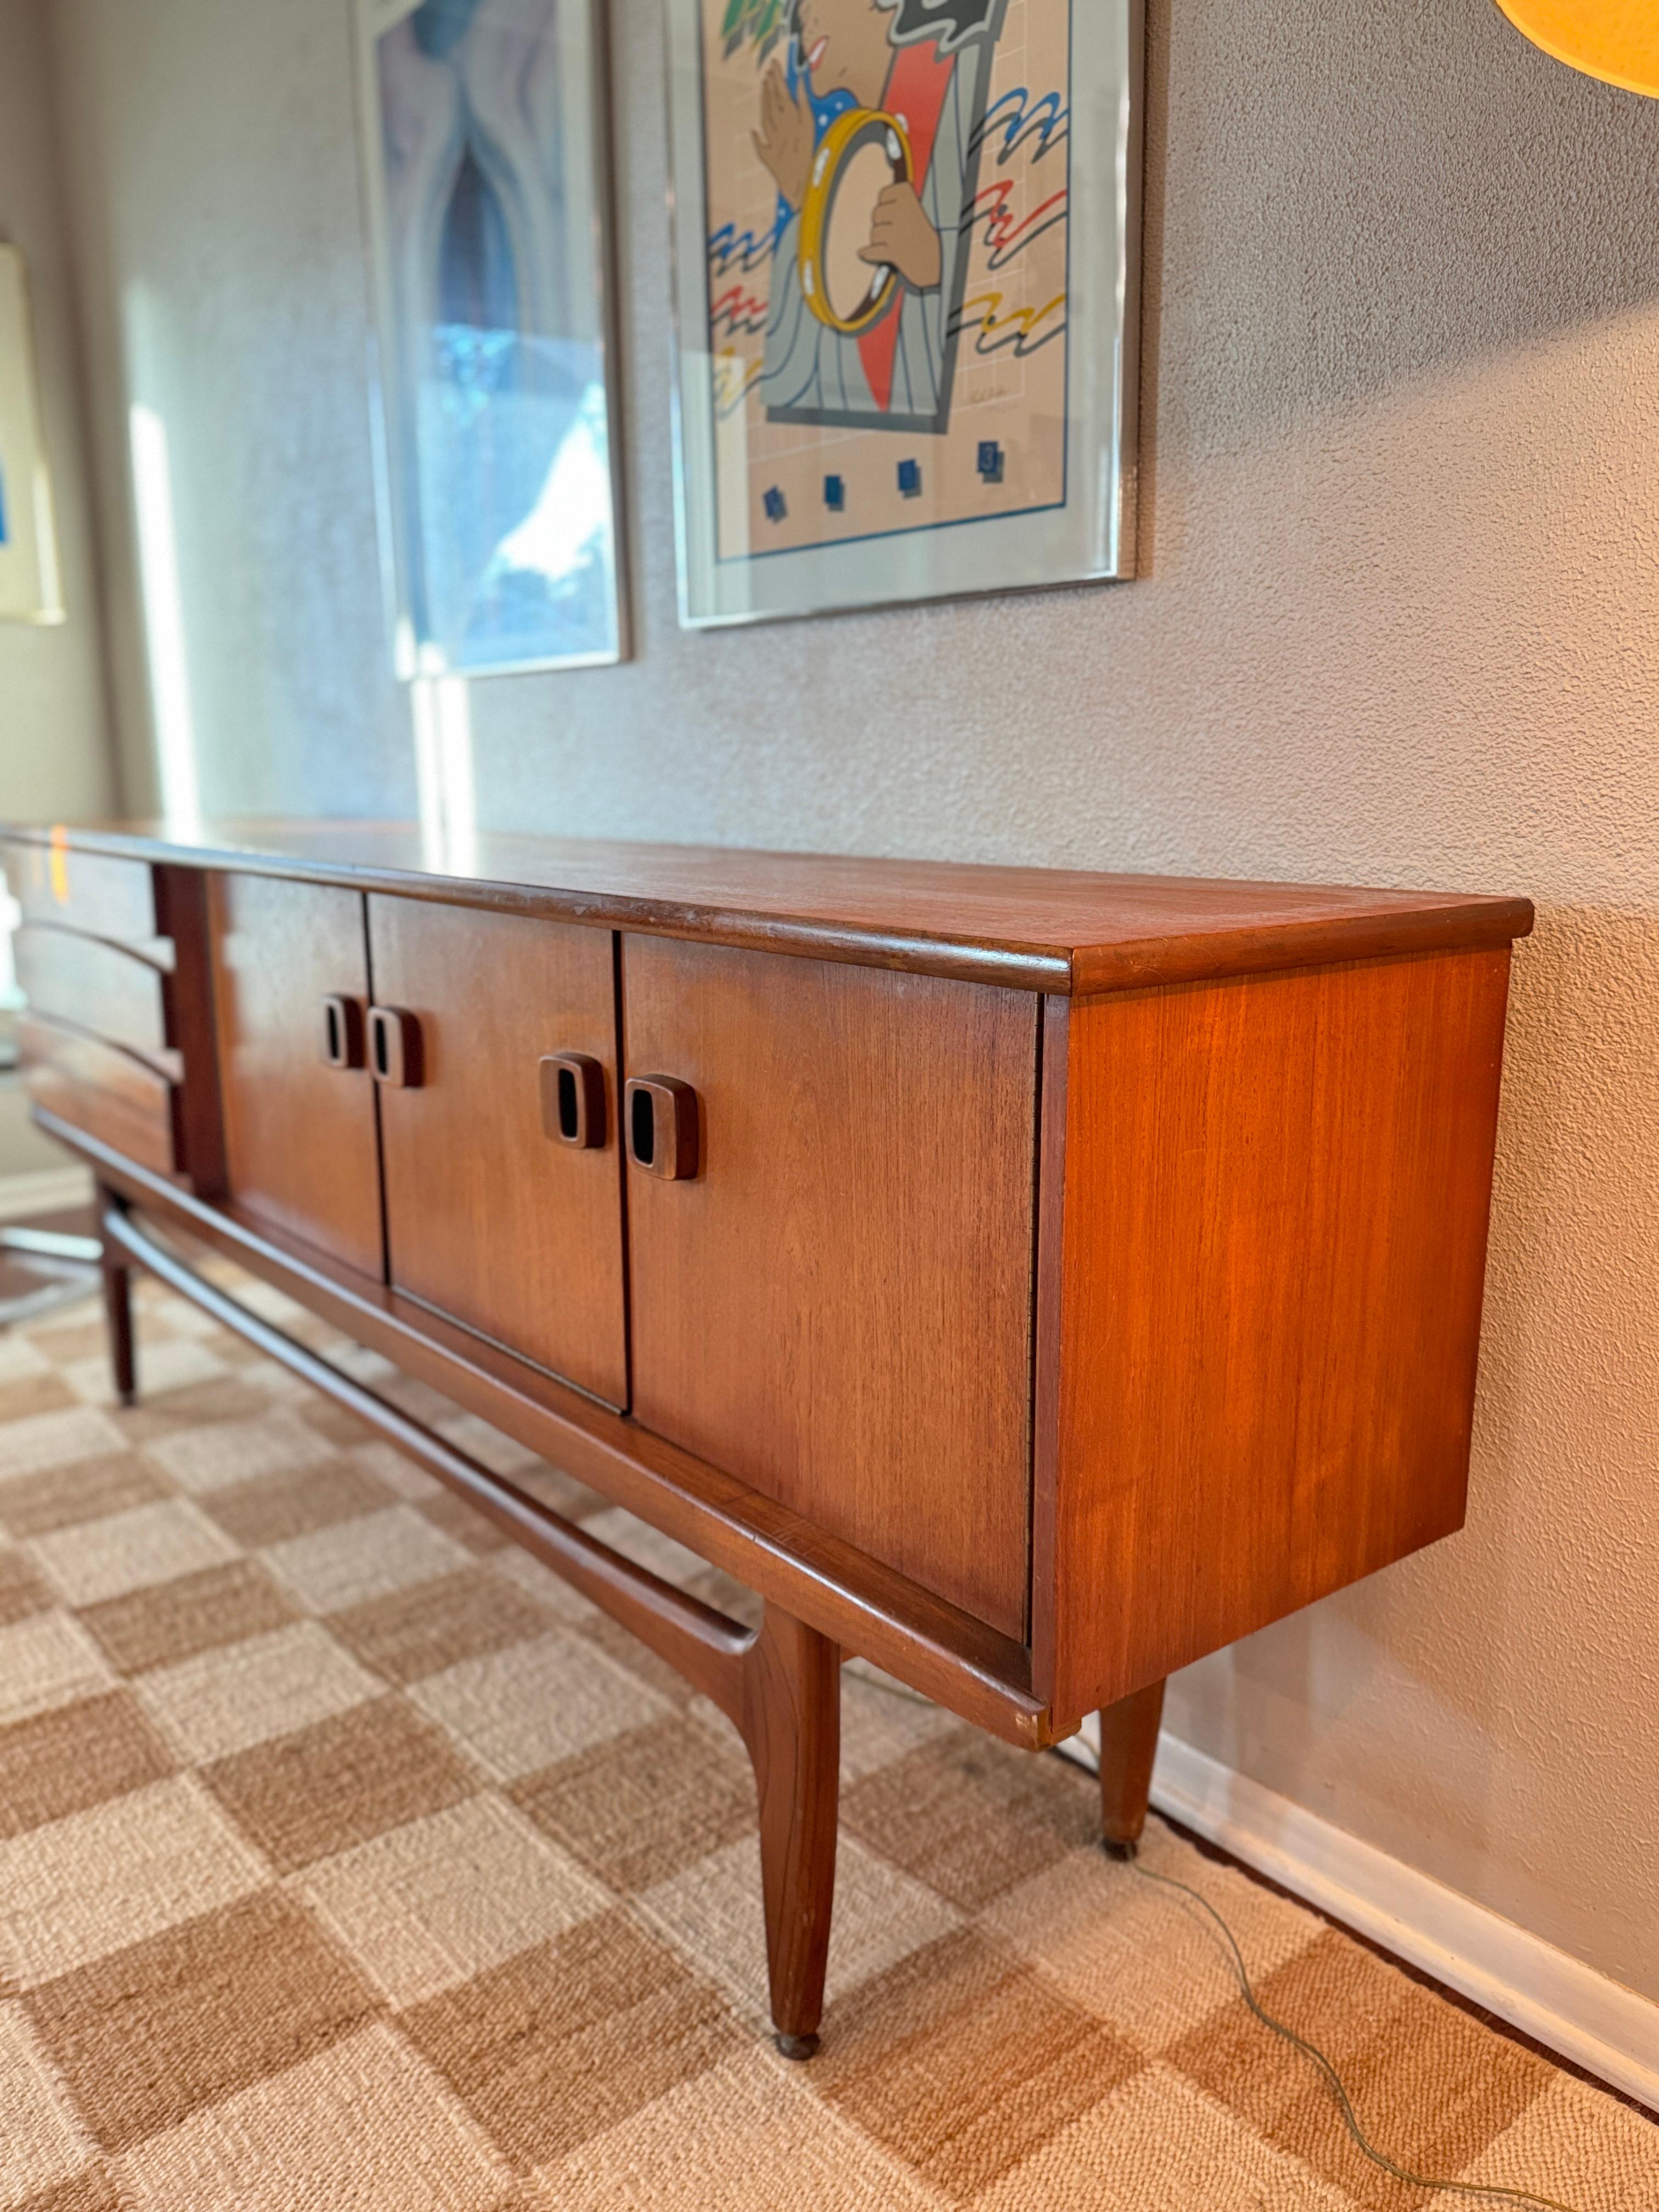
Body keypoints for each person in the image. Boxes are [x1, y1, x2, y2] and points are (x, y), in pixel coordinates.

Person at [750, 0, 1005, 433]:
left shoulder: (960, 82)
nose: (803, 19)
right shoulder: (829, 142)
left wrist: (934, 263)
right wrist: (803, 203)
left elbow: (1025, 288)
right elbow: (790, 382)